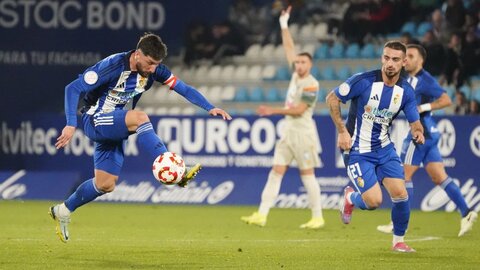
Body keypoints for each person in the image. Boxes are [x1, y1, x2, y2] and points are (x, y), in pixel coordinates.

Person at [50, 33, 232, 243]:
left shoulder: (155, 71)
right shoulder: (112, 65)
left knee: (105, 184)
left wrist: (209, 107)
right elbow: (72, 88)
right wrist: (71, 123)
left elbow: (183, 88)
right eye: (150, 63)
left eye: (157, 64)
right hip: (95, 119)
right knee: (140, 118)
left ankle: (63, 210)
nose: (153, 69)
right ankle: (171, 166)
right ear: (137, 54)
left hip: (115, 124)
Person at [326, 41, 425, 253]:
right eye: (386, 58)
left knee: (400, 193)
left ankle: (398, 241)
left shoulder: (405, 92)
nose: (390, 63)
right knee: (373, 202)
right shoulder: (363, 81)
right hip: (358, 151)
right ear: (382, 58)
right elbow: (332, 98)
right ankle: (350, 197)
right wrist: (342, 131)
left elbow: (415, 121)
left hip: (385, 149)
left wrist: (418, 131)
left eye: (395, 59)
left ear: (404, 62)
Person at [377, 44, 478, 236]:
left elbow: (446, 100)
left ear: (421, 60)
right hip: (431, 132)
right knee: (439, 176)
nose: (406, 60)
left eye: (411, 56)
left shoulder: (425, 79)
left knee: (402, 176)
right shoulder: (407, 78)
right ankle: (466, 213)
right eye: (405, 56)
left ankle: (397, 224)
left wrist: (423, 108)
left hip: (420, 134)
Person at [241, 6, 325, 229]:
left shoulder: (312, 84)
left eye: (303, 62)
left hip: (303, 133)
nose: (298, 65)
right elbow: (289, 47)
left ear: (310, 65)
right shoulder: (297, 75)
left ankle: (317, 216)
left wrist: (273, 110)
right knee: (275, 172)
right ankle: (262, 214)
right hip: (288, 131)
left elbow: (299, 110)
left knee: (307, 175)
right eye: (297, 62)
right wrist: (284, 24)